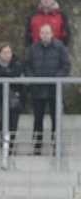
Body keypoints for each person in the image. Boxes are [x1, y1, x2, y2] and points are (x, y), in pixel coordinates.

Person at [25, 23, 71, 155]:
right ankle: (37, 147)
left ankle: (56, 147)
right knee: (37, 119)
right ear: (39, 34)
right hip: (38, 90)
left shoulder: (60, 48)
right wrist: (32, 79)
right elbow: (27, 66)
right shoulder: (33, 49)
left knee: (56, 119)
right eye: (42, 32)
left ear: (52, 34)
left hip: (54, 90)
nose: (45, 35)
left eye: (47, 32)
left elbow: (66, 65)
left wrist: (57, 79)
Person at [0, 43, 25, 158]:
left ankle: (11, 147)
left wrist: (4, 73)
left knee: (13, 123)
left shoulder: (17, 62)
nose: (7, 55)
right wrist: (6, 72)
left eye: (9, 52)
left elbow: (16, 73)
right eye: (4, 52)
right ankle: (3, 140)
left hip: (14, 97)